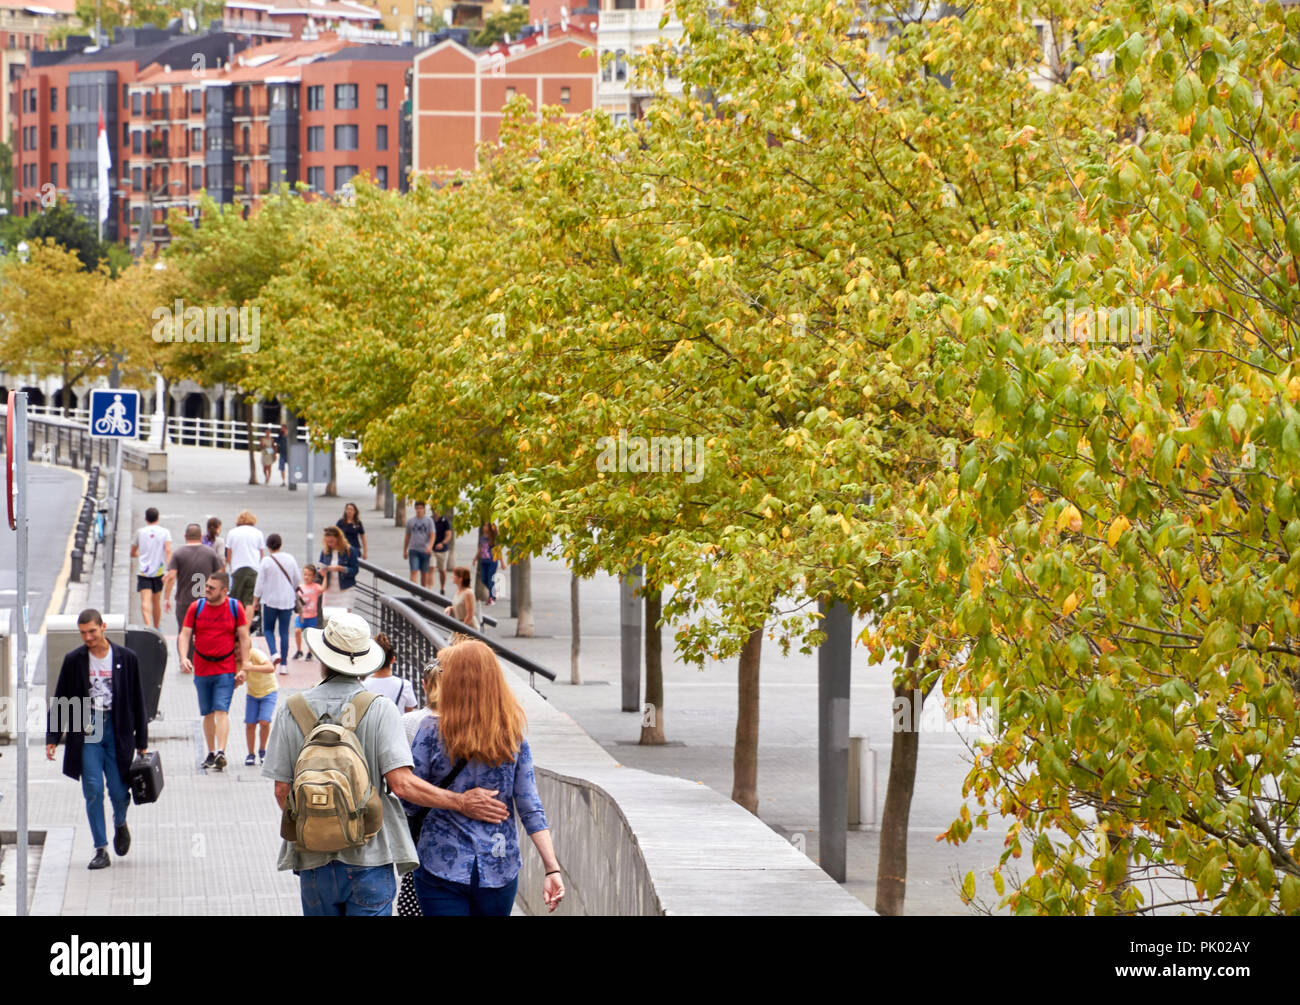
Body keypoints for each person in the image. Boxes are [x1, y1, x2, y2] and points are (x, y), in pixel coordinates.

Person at [261, 613, 512, 916]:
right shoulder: (380, 709)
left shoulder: (292, 709)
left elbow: (281, 790)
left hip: (313, 860)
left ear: (322, 657)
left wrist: (319, 824)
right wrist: (460, 802)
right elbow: (402, 784)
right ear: (363, 661)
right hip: (370, 856)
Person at [406, 639, 563, 915]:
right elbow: (530, 806)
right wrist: (552, 867)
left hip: (441, 863)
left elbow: (409, 801)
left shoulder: (430, 732)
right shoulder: (512, 737)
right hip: (499, 865)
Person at [45, 609, 149, 870]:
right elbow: (62, 699)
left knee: (117, 790)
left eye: (92, 631)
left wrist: (142, 740)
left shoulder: (127, 658)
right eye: (83, 633)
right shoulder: (74, 660)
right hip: (88, 727)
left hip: (117, 729)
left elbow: (138, 699)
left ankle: (120, 822)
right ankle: (100, 848)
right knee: (92, 789)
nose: (88, 637)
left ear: (103, 627)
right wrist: (53, 737)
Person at [178, 572, 252, 771]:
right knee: (208, 713)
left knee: (221, 710)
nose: (207, 589)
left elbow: (244, 637)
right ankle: (211, 752)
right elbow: (185, 634)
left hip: (225, 667)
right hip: (201, 667)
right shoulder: (197, 607)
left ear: (224, 590)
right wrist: (183, 657)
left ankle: (221, 751)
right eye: (207, 586)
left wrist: (245, 666)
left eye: (212, 587)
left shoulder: (234, 607)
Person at [252, 533, 300, 671]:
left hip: (270, 600)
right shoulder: (290, 558)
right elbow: (297, 579)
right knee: (284, 632)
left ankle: (274, 653)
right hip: (287, 600)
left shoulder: (266, 561)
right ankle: (284, 665)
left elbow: (259, 583)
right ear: (281, 544)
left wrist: (255, 600)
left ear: (268, 546)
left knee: (268, 629)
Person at [163, 524, 222, 632]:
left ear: (185, 536)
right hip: (206, 601)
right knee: (206, 631)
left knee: (185, 632)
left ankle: (186, 649)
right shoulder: (210, 553)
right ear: (201, 536)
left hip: (185, 601)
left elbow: (171, 577)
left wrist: (166, 598)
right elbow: (220, 576)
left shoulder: (178, 553)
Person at [130, 506, 172, 629]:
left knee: (145, 603)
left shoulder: (140, 532)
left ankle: (148, 627)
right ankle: (157, 627)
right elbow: (168, 550)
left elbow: (132, 552)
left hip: (144, 571)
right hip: (159, 571)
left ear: (145, 519)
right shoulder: (165, 532)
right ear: (158, 518)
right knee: (156, 602)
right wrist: (169, 568)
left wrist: (139, 554)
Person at [363, 633, 417, 713]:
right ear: (393, 660)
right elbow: (408, 713)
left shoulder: (363, 685)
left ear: (373, 660)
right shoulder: (405, 685)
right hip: (395, 725)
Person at [243, 647, 277, 766]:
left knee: (264, 721)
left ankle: (262, 750)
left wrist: (251, 667)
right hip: (252, 694)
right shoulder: (237, 659)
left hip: (269, 691)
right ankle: (250, 754)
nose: (237, 651)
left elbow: (270, 667)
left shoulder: (256, 653)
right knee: (250, 724)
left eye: (238, 648)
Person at [225, 510, 265, 610]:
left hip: (237, 568)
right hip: (253, 569)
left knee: (235, 599)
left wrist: (230, 566)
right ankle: (248, 623)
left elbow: (228, 552)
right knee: (250, 600)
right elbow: (261, 554)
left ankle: (236, 621)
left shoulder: (232, 532)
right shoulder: (258, 533)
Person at [319, 525, 358, 612]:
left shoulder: (349, 550)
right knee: (328, 615)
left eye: (332, 541)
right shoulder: (325, 551)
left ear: (339, 539)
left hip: (346, 588)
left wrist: (342, 569)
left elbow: (355, 569)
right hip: (329, 589)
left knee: (345, 616)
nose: (330, 544)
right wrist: (321, 571)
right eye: (327, 541)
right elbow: (320, 565)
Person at [293, 564, 324, 661]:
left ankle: (309, 653)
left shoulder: (316, 587)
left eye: (309, 575)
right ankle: (299, 650)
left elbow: (323, 589)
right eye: (305, 574)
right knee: (297, 631)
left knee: (310, 636)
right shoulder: (300, 587)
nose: (306, 577)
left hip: (312, 616)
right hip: (301, 615)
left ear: (314, 577)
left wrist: (326, 576)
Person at [404, 502, 435, 589]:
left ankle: (423, 591)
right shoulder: (410, 521)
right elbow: (407, 536)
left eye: (421, 508)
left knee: (424, 573)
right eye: (417, 508)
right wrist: (405, 550)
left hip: (425, 550)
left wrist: (430, 546)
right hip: (413, 550)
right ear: (415, 509)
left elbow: (432, 535)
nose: (419, 510)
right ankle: (414, 591)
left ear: (424, 509)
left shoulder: (429, 521)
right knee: (414, 571)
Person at [476, 522, 499, 605]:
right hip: (484, 561)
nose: (483, 527)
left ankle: (491, 598)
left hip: (492, 561)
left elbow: (498, 550)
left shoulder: (494, 539)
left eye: (485, 525)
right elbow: (480, 548)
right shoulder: (482, 538)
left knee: (490, 579)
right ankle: (493, 592)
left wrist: (502, 562)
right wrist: (475, 558)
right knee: (484, 579)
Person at [450, 566, 479, 631]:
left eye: (454, 575)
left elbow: (470, 615)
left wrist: (461, 629)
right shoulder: (459, 591)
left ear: (460, 579)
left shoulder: (468, 593)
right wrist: (450, 608)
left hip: (468, 628)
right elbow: (460, 606)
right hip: (459, 625)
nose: (452, 577)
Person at [433, 511, 452, 594]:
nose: (436, 512)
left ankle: (442, 588)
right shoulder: (430, 520)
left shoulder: (445, 521)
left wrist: (442, 543)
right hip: (431, 549)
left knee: (442, 570)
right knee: (431, 568)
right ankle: (429, 589)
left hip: (442, 549)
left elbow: (448, 535)